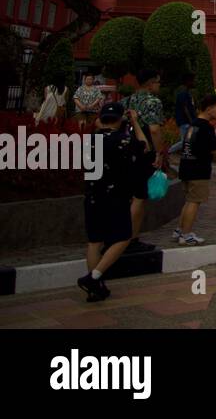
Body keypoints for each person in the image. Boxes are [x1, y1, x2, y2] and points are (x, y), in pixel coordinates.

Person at [78, 101, 148, 302]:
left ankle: (95, 288)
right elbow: (145, 148)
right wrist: (135, 122)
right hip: (115, 197)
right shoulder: (124, 141)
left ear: (101, 119)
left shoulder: (89, 140)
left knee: (94, 241)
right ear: (121, 119)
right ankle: (95, 277)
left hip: (92, 196)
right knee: (123, 237)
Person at [124, 69, 166, 252]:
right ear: (150, 83)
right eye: (157, 82)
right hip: (144, 150)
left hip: (126, 149)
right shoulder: (152, 102)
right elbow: (155, 130)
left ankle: (121, 235)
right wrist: (159, 152)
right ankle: (131, 238)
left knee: (129, 195)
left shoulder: (127, 100)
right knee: (139, 198)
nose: (159, 85)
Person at [175, 94, 216, 245]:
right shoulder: (205, 127)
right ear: (209, 108)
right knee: (194, 202)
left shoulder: (193, 124)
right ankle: (186, 234)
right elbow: (210, 148)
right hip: (198, 169)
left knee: (188, 201)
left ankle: (180, 229)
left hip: (186, 166)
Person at [168, 73, 197, 157]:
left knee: (188, 141)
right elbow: (185, 108)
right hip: (185, 122)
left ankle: (187, 156)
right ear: (188, 81)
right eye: (193, 81)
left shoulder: (188, 93)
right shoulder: (183, 93)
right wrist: (191, 121)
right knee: (185, 141)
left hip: (188, 121)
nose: (194, 82)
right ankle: (168, 151)